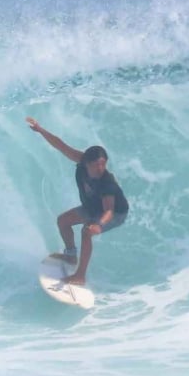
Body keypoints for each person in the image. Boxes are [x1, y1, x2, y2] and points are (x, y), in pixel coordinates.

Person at [25, 117, 129, 286]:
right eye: (96, 165)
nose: (100, 168)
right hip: (92, 208)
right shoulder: (81, 161)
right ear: (86, 163)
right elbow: (61, 146)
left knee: (86, 232)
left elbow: (109, 210)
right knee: (63, 221)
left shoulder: (107, 182)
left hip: (115, 213)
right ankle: (71, 255)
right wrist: (41, 130)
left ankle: (80, 276)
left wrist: (99, 225)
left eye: (103, 164)